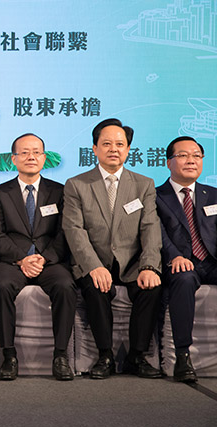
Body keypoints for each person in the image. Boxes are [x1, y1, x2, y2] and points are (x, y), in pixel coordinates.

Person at [63, 118, 163, 379]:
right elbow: (74, 229)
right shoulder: (77, 184)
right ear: (94, 148)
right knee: (95, 288)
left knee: (152, 287)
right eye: (106, 144)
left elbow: (150, 228)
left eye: (120, 144)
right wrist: (93, 266)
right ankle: (105, 355)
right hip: (94, 261)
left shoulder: (144, 184)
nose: (113, 149)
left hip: (132, 263)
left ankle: (136, 356)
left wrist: (149, 266)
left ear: (128, 150)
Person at [0, 133, 76, 381]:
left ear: (44, 158)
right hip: (12, 261)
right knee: (1, 287)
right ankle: (8, 355)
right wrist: (21, 259)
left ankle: (60, 356)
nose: (31, 157)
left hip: (49, 260)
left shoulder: (60, 191)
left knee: (65, 285)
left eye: (36, 152)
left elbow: (65, 232)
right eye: (24, 152)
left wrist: (43, 258)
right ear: (13, 159)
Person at [156, 136, 217, 383]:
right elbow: (156, 233)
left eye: (196, 155)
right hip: (179, 262)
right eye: (183, 155)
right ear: (168, 162)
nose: (191, 160)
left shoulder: (213, 194)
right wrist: (175, 256)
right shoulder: (155, 196)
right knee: (183, 279)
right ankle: (183, 356)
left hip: (210, 261)